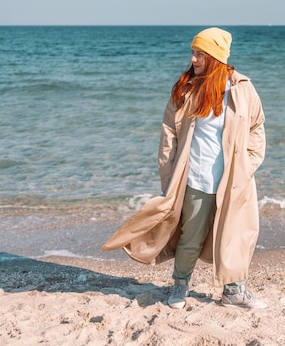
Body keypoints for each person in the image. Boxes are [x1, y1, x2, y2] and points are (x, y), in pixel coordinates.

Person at [101, 27, 267, 310]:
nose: (193, 59)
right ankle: (179, 286)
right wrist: (169, 177)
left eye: (199, 54)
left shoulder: (242, 89)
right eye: (193, 52)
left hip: (234, 181)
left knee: (237, 236)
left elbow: (257, 127)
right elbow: (169, 134)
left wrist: (248, 164)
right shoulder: (187, 89)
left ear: (214, 57)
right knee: (190, 237)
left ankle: (234, 292)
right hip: (197, 179)